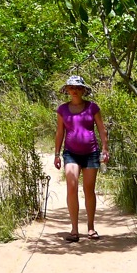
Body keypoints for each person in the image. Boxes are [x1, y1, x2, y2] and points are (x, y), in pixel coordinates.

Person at [54, 75, 110, 242]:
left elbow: (102, 129)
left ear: (83, 90)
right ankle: (74, 230)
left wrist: (105, 149)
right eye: (71, 87)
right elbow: (60, 132)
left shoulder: (92, 107)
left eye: (78, 88)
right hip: (71, 153)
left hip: (91, 153)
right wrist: (56, 154)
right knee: (71, 186)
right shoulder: (62, 110)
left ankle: (91, 227)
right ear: (67, 90)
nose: (75, 91)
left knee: (88, 190)